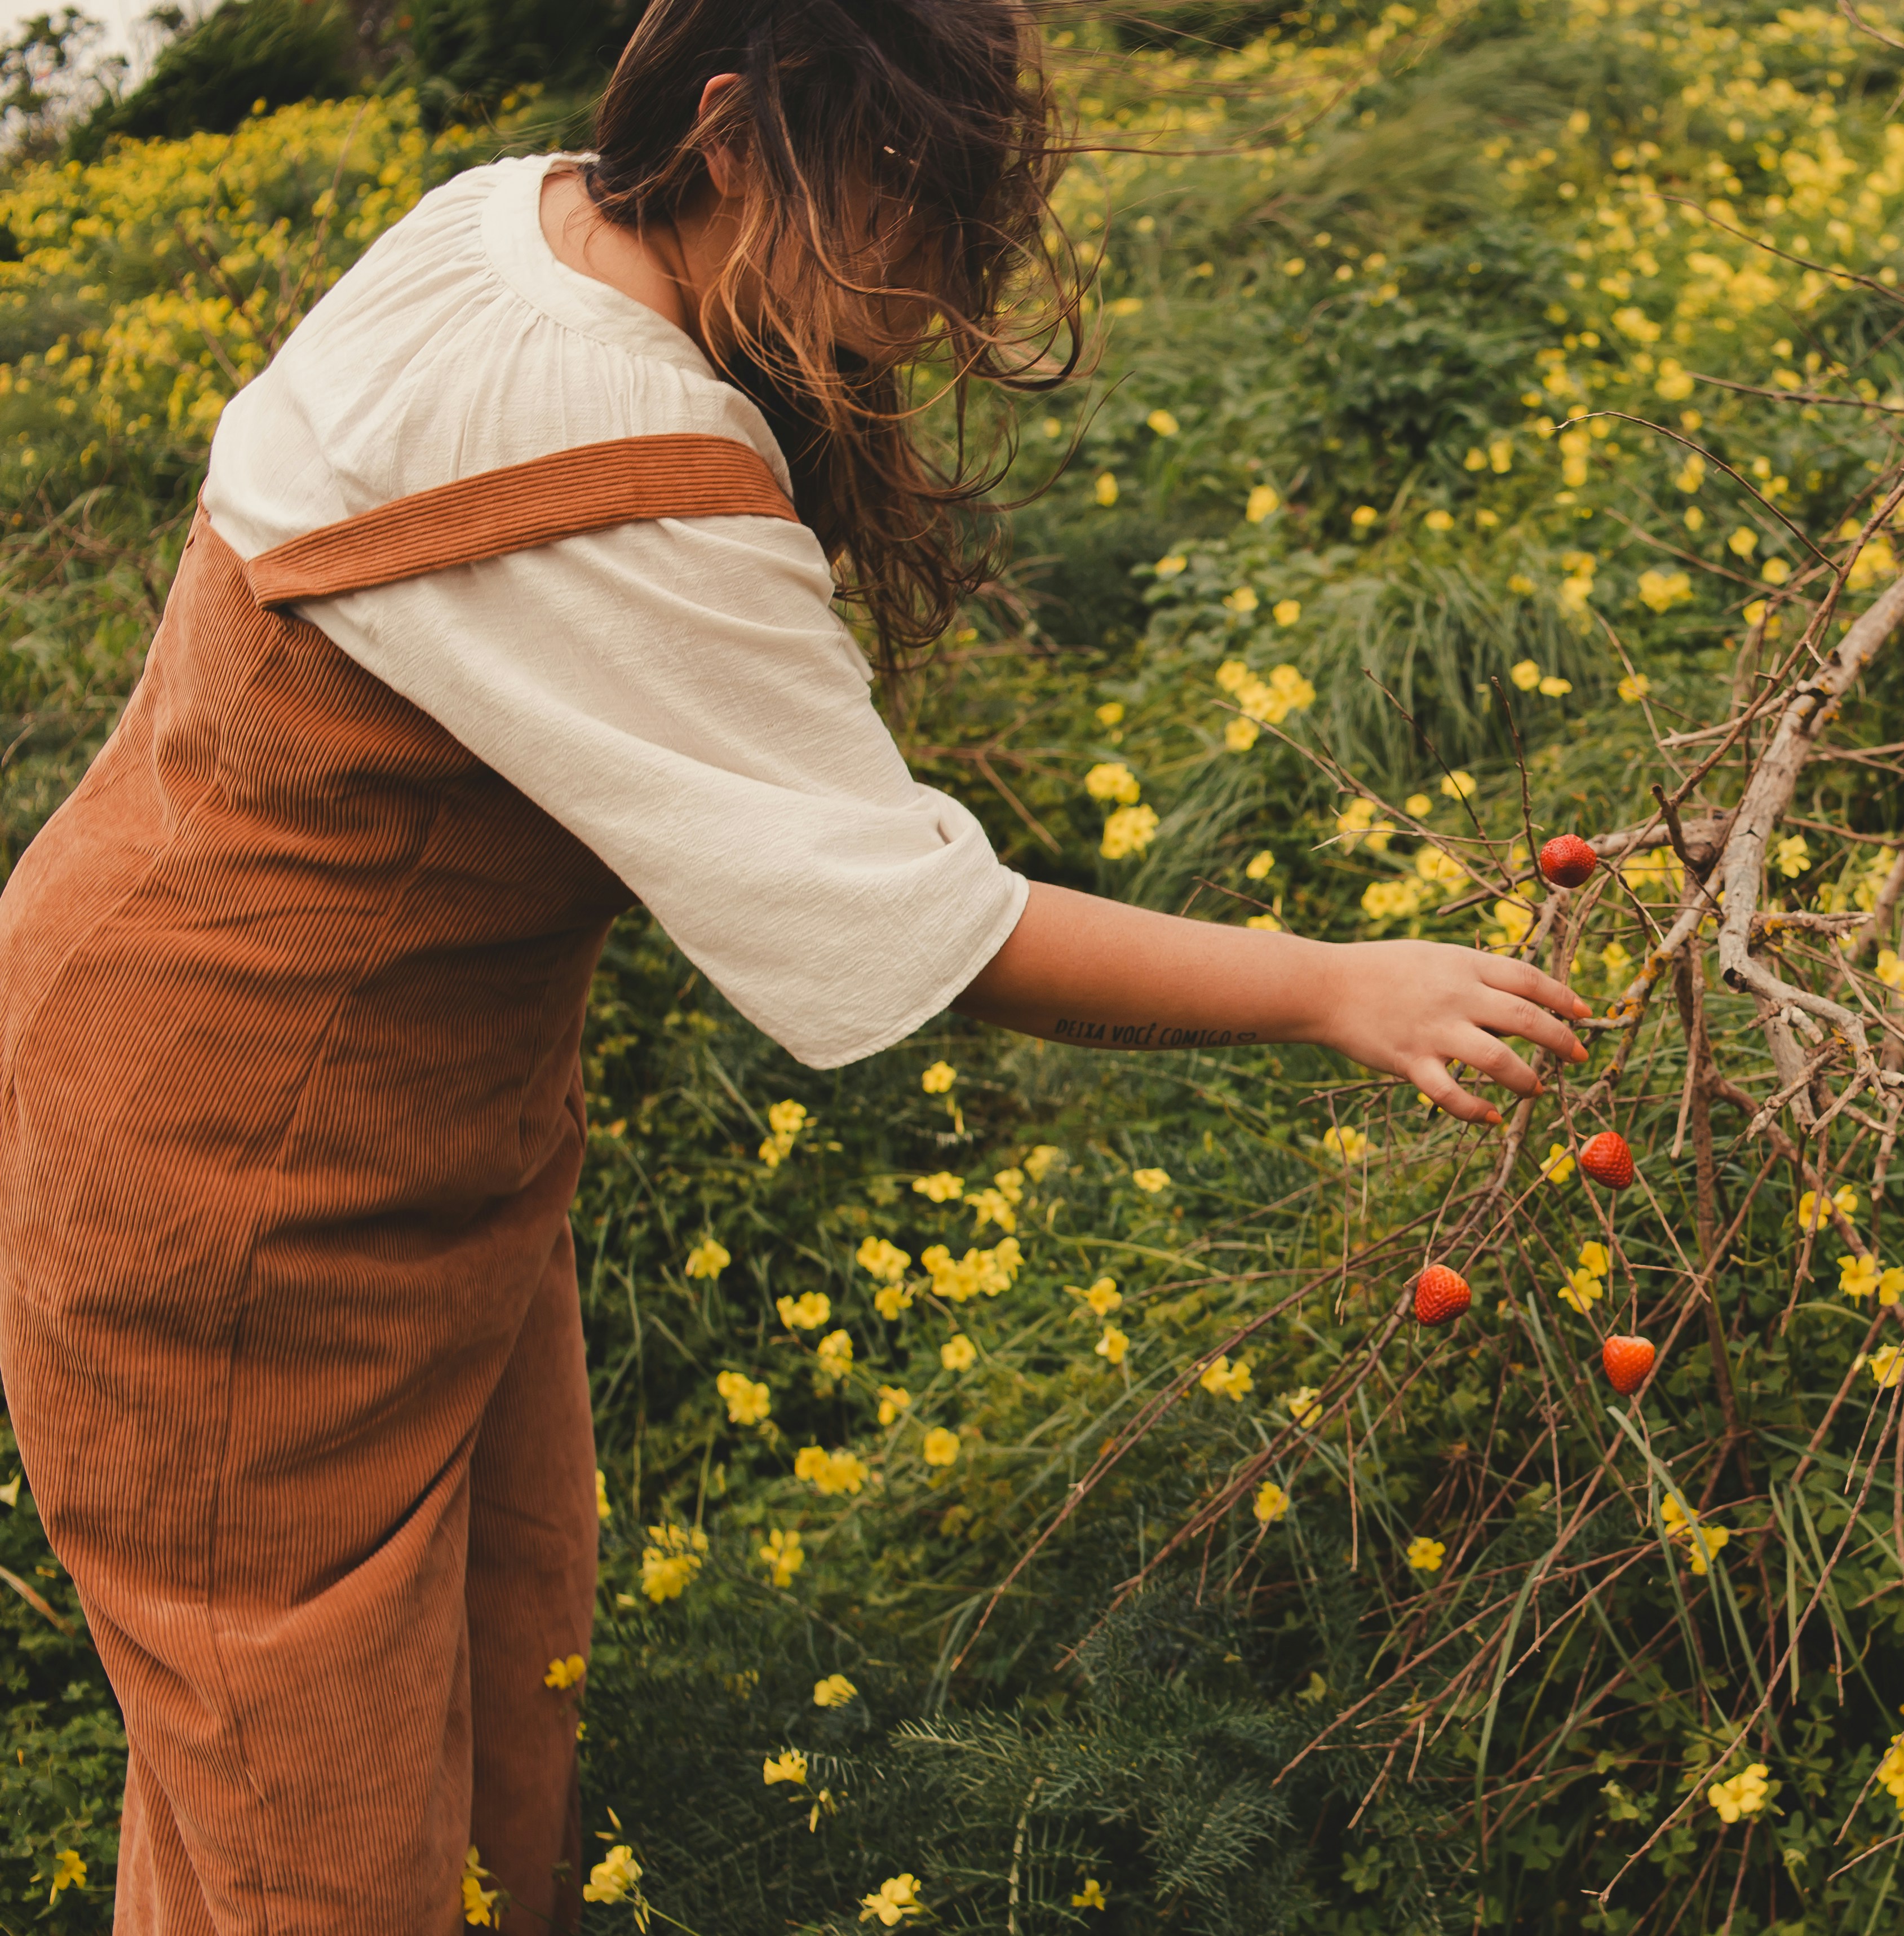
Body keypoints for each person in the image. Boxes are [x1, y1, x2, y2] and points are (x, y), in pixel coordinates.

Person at [0, 0, 1588, 1927]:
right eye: (910, 197)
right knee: (304, 1831)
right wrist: (1339, 981)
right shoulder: (608, 426)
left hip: (369, 1123)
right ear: (735, 134)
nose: (936, 288)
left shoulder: (518, 214)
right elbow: (916, 919)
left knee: (511, 1665)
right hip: (226, 1180)